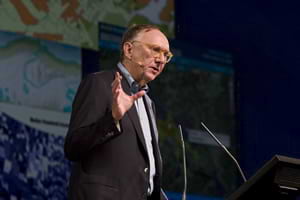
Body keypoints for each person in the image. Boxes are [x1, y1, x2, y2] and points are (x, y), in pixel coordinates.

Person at [64, 24, 173, 200]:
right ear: (129, 50)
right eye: (155, 50)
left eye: (166, 55)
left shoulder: (148, 102)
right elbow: (73, 147)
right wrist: (112, 118)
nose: (160, 59)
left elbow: (144, 170)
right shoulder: (99, 83)